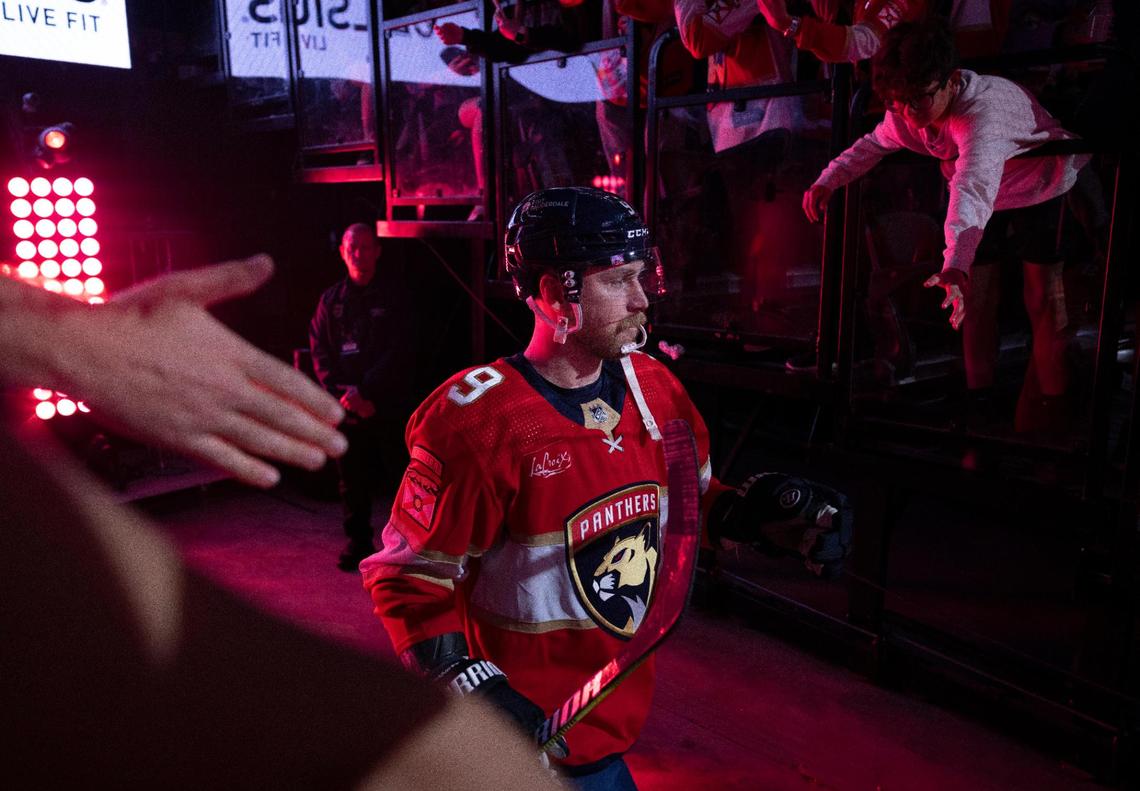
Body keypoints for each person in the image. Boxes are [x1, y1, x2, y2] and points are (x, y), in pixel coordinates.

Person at [0, 257, 563, 790]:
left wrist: (68, 339)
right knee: (453, 762)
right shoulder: (333, 303)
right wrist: (73, 342)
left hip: (372, 404)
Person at [362, 187, 852, 788]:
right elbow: (408, 575)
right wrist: (468, 685)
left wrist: (758, 516)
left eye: (641, 275)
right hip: (520, 749)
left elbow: (691, 506)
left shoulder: (656, 387)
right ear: (552, 293)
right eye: (618, 279)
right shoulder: (477, 420)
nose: (642, 298)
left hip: (606, 733)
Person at [803, 18, 1088, 432]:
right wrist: (828, 179)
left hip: (1042, 183)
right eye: (898, 103)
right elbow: (874, 143)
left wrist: (955, 263)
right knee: (973, 301)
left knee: (1041, 297)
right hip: (988, 195)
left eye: (917, 100)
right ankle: (981, 409)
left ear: (950, 81)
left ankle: (1055, 420)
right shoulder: (907, 108)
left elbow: (972, 188)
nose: (908, 115)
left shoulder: (982, 114)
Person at [310, 224, 416, 571]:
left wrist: (368, 393)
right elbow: (320, 353)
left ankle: (406, 546)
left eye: (366, 247)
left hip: (384, 405)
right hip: (347, 408)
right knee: (351, 482)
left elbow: (399, 351)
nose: (359, 253)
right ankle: (358, 543)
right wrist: (343, 396)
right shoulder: (330, 301)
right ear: (342, 251)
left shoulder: (395, 296)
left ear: (377, 251)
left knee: (400, 476)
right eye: (352, 247)